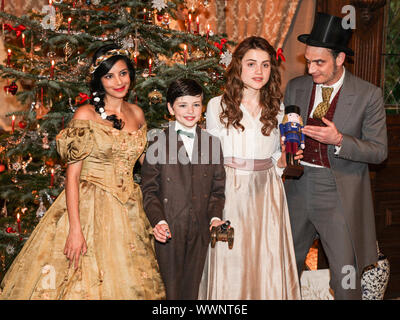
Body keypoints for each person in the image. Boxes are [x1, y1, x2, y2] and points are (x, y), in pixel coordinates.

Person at [0, 44, 165, 299]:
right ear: (99, 80)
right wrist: (75, 230)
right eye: (109, 76)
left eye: (123, 73)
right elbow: (73, 176)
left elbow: (149, 168)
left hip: (130, 210)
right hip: (90, 210)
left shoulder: (138, 114)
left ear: (131, 74)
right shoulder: (86, 114)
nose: (118, 81)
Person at [283, 12, 388, 299]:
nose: (311, 69)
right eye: (308, 61)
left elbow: (379, 151)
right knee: (285, 269)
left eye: (319, 62)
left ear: (340, 58)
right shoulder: (296, 86)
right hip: (296, 189)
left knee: (346, 277)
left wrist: (340, 139)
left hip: (339, 192)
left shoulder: (369, 95)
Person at [203, 36, 302, 299]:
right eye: (251, 64)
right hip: (230, 191)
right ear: (238, 67)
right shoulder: (217, 106)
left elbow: (274, 158)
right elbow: (211, 158)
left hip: (267, 192)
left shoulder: (278, 109)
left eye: (266, 65)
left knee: (265, 259)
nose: (259, 72)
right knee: (231, 258)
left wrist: (284, 161)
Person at [141, 78, 226, 300]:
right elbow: (149, 189)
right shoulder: (157, 144)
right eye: (182, 105)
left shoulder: (212, 144)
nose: (190, 111)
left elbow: (217, 189)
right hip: (169, 229)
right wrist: (158, 221)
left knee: (191, 290)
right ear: (170, 108)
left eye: (196, 104)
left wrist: (215, 217)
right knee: (169, 292)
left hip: (199, 230)